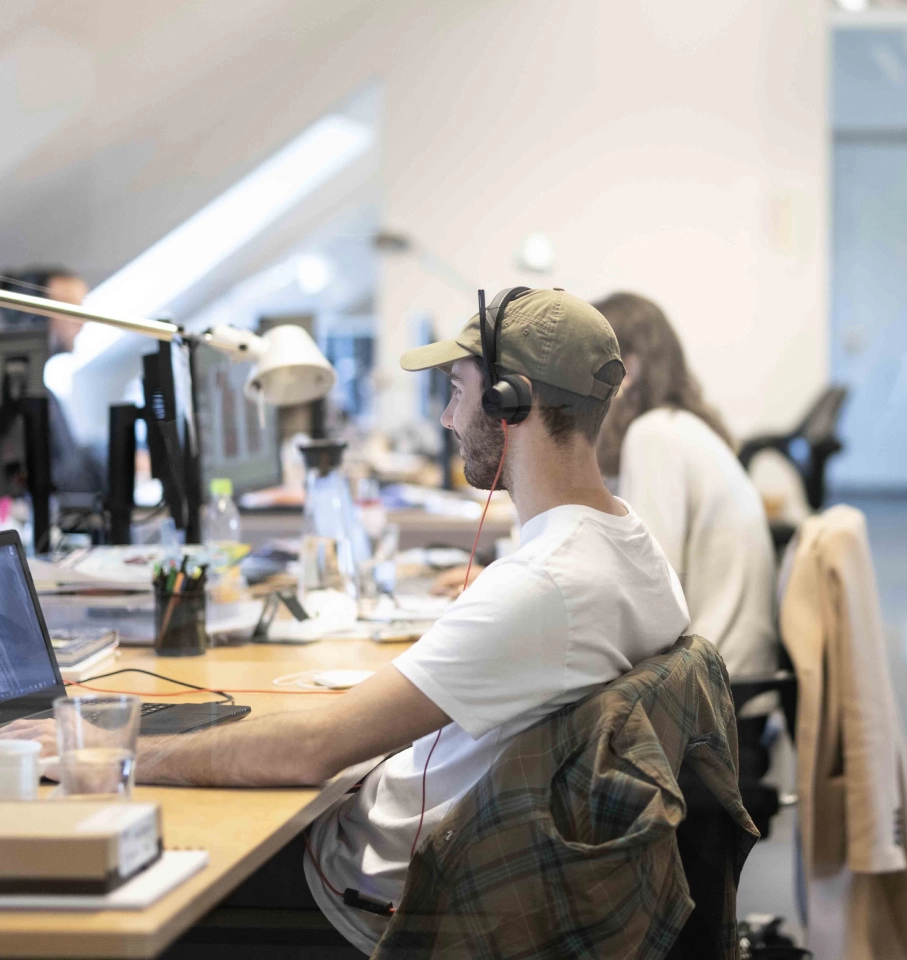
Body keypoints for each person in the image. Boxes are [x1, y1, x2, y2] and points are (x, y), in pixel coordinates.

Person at [3, 288, 691, 956]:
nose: (448, 418)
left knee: (79, 893)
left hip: (378, 899)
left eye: (457, 391)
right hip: (480, 874)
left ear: (510, 400)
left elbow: (309, 750)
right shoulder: (631, 546)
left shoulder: (544, 584)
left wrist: (110, 747)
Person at [591, 292, 777, 697]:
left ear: (628, 371)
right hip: (729, 679)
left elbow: (651, 594)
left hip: (716, 696)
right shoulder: (677, 427)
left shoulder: (653, 435)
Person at [0, 267, 103, 494]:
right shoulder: (15, 395)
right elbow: (57, 478)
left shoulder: (46, 396)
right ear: (34, 317)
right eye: (71, 307)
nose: (82, 321)